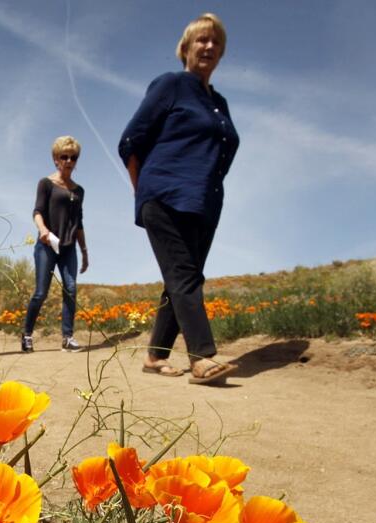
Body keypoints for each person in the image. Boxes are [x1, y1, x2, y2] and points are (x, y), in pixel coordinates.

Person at [119, 12, 240, 384]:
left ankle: (155, 355)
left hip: (204, 202)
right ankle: (202, 357)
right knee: (185, 275)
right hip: (164, 196)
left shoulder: (219, 103)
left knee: (184, 277)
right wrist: (144, 193)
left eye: (215, 41)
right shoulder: (171, 85)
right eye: (201, 40)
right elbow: (130, 140)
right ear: (185, 49)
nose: (208, 46)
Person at [22, 136, 88, 353]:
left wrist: (84, 252)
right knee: (41, 292)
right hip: (47, 245)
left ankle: (67, 337)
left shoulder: (79, 191)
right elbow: (37, 211)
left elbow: (79, 223)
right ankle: (27, 334)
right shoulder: (46, 183)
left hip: (69, 247)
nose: (69, 161)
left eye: (73, 157)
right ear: (56, 159)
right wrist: (43, 231)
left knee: (70, 289)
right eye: (64, 156)